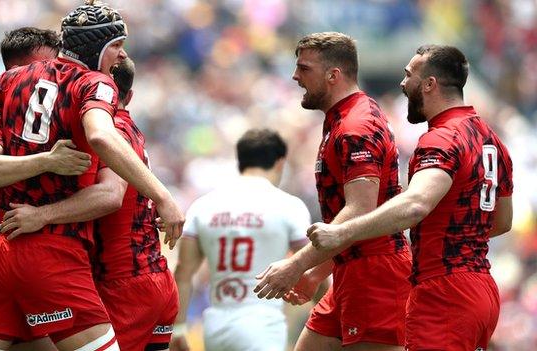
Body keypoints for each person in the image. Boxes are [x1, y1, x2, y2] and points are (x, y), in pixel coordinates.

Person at [0, 1, 184, 350]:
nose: (121, 55)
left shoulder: (10, 88)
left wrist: (14, 158)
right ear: (97, 46)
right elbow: (101, 137)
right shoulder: (93, 85)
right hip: (52, 254)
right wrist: (163, 197)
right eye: (116, 46)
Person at [306, 45, 513, 351]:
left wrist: (340, 232)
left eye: (408, 75)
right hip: (482, 288)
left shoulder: (442, 137)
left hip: (444, 290)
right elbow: (501, 221)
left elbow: (416, 204)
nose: (402, 84)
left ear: (429, 84)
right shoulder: (491, 139)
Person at [0, 58, 180, 351]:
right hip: (152, 277)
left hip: (122, 283)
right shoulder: (130, 129)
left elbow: (110, 195)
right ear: (130, 96)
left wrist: (41, 215)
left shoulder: (113, 133)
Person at [253, 32, 411, 351]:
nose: (295, 76)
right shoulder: (343, 118)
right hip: (349, 269)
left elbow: (361, 211)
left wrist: (296, 265)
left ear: (333, 75)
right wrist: (317, 273)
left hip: (375, 274)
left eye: (304, 68)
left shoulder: (356, 125)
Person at [0, 26, 76, 351]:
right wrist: (45, 161)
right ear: (18, 72)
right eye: (47, 67)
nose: (54, 76)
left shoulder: (34, 126)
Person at [171, 129, 311, 351]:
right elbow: (313, 265)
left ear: (241, 161)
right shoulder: (288, 206)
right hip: (262, 324)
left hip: (216, 325)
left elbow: (183, 273)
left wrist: (177, 329)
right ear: (280, 162)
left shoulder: (203, 206)